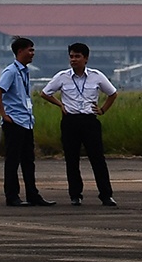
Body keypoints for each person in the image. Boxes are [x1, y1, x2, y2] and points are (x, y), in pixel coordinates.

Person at [41, 41, 118, 207]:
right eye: (71, 56)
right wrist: (60, 104)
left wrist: (103, 110)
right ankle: (75, 195)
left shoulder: (96, 76)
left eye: (77, 56)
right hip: (71, 121)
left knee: (97, 159)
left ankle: (106, 195)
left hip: (89, 120)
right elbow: (45, 93)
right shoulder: (63, 76)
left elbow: (112, 93)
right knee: (72, 159)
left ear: (86, 58)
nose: (73, 60)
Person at [0, 37, 54, 207]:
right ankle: (12, 195)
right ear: (20, 51)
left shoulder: (25, 71)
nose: (32, 53)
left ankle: (33, 194)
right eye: (30, 50)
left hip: (26, 121)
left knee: (29, 161)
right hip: (15, 122)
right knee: (12, 160)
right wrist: (3, 114)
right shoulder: (11, 71)